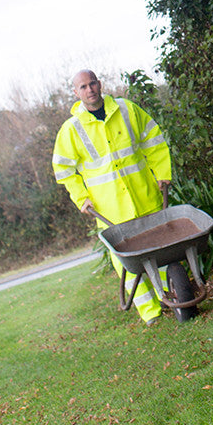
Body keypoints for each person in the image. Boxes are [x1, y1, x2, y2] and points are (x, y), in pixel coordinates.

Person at [52, 70, 172, 324]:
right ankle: (150, 313)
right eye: (83, 86)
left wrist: (162, 172)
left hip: (145, 196)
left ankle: (173, 296)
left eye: (92, 83)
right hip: (110, 210)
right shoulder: (71, 129)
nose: (90, 89)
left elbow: (154, 141)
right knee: (127, 264)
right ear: (76, 93)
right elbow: (63, 171)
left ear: (100, 84)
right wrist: (81, 198)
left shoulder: (127, 110)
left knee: (162, 249)